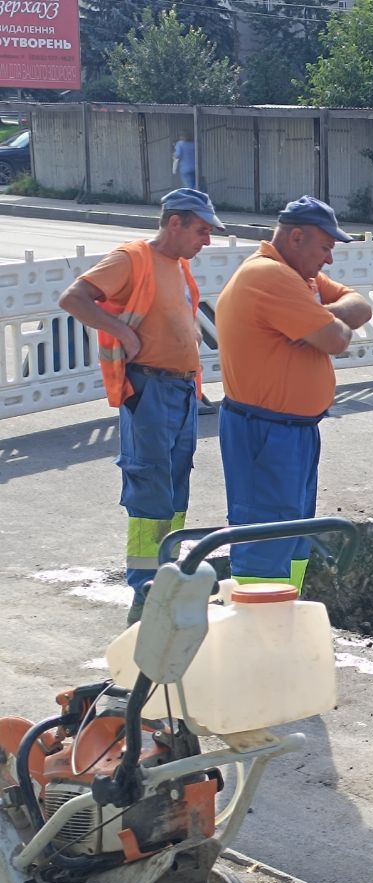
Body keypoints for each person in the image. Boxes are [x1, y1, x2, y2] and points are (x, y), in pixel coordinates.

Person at [57, 188, 223, 625]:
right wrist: (121, 333)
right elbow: (74, 297)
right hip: (149, 387)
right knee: (150, 485)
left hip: (181, 390)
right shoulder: (131, 258)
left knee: (176, 484)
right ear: (175, 224)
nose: (206, 241)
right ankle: (145, 591)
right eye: (201, 230)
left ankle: (168, 576)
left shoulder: (178, 265)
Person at [214, 196, 372, 589]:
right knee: (265, 537)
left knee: (293, 535)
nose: (329, 260)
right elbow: (336, 339)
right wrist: (318, 320)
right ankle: (257, 634)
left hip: (291, 431)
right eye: (325, 248)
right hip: (266, 432)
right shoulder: (270, 276)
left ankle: (284, 618)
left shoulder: (299, 278)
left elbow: (361, 306)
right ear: (297, 237)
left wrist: (314, 316)